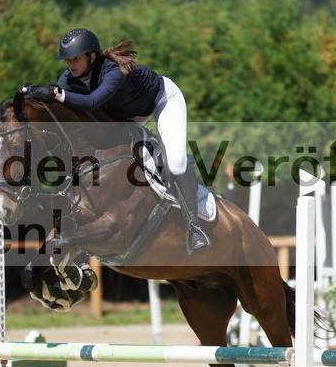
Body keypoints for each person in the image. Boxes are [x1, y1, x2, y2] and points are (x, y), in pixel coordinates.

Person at [40, 27, 210, 254]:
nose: (71, 64)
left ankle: (195, 228)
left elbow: (91, 102)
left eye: (76, 59)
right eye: (67, 60)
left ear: (92, 56)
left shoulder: (114, 71)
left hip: (161, 101)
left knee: (176, 162)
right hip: (126, 116)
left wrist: (57, 94)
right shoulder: (68, 79)